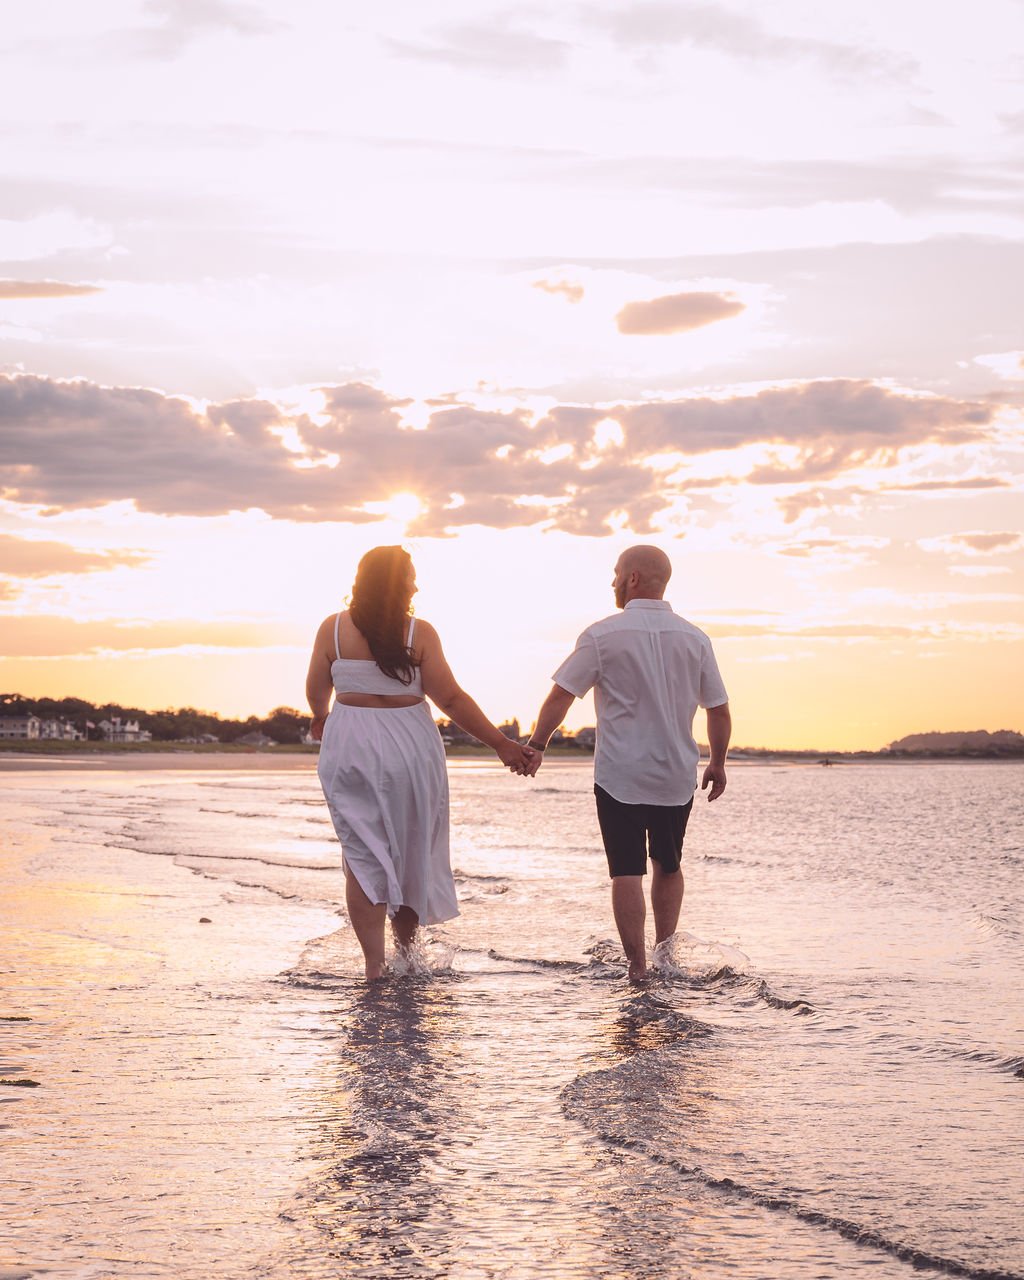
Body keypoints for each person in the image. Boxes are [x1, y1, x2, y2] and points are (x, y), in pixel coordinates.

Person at [306, 545, 532, 980]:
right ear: (398, 584)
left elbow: (316, 687)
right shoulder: (419, 633)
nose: (416, 584)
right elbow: (451, 699)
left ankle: (375, 966)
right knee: (410, 848)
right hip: (409, 744)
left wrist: (320, 715)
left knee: (361, 853)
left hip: (349, 741)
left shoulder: (332, 630)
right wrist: (502, 744)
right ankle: (407, 956)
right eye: (410, 576)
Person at [525, 545, 731, 982]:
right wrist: (718, 762)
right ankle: (665, 957)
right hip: (675, 772)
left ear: (633, 578)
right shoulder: (695, 638)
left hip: (620, 773)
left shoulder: (602, 635)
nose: (614, 582)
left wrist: (538, 744)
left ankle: (637, 967)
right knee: (669, 864)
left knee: (625, 870)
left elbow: (562, 694)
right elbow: (718, 708)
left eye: (617, 574)